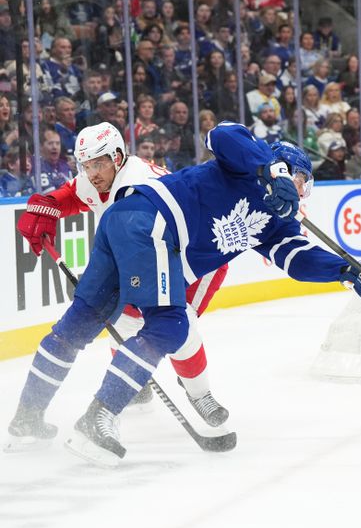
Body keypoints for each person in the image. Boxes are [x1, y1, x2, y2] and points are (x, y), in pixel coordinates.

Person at [6, 123, 361, 466]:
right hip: (152, 223)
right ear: (286, 173)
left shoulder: (276, 224)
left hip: (126, 225)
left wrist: (351, 272)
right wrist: (270, 170)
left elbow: (298, 260)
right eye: (300, 182)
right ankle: (98, 418)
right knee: (171, 325)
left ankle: (26, 420)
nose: (301, 193)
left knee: (78, 324)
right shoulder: (244, 167)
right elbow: (223, 133)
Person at [7, 121, 233, 434]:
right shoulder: (99, 179)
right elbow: (75, 194)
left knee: (180, 328)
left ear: (117, 157)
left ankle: (199, 392)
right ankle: (36, 414)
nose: (92, 173)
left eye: (98, 164)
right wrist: (50, 206)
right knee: (122, 319)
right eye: (86, 165)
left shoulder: (141, 186)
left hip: (196, 256)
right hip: (143, 249)